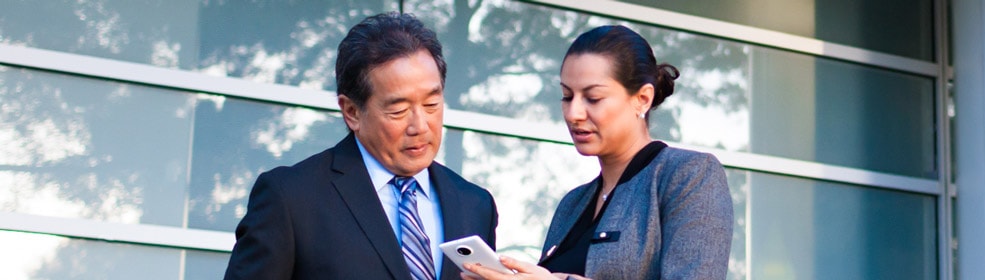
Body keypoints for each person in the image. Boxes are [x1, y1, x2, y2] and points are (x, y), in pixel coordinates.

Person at [224, 12, 499, 280]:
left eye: (431, 105)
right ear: (352, 112)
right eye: (398, 111)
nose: (420, 126)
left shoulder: (475, 205)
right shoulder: (291, 198)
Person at [463, 25, 733, 280]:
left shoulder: (688, 176)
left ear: (642, 99)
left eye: (593, 98)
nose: (574, 113)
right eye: (567, 96)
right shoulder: (572, 204)